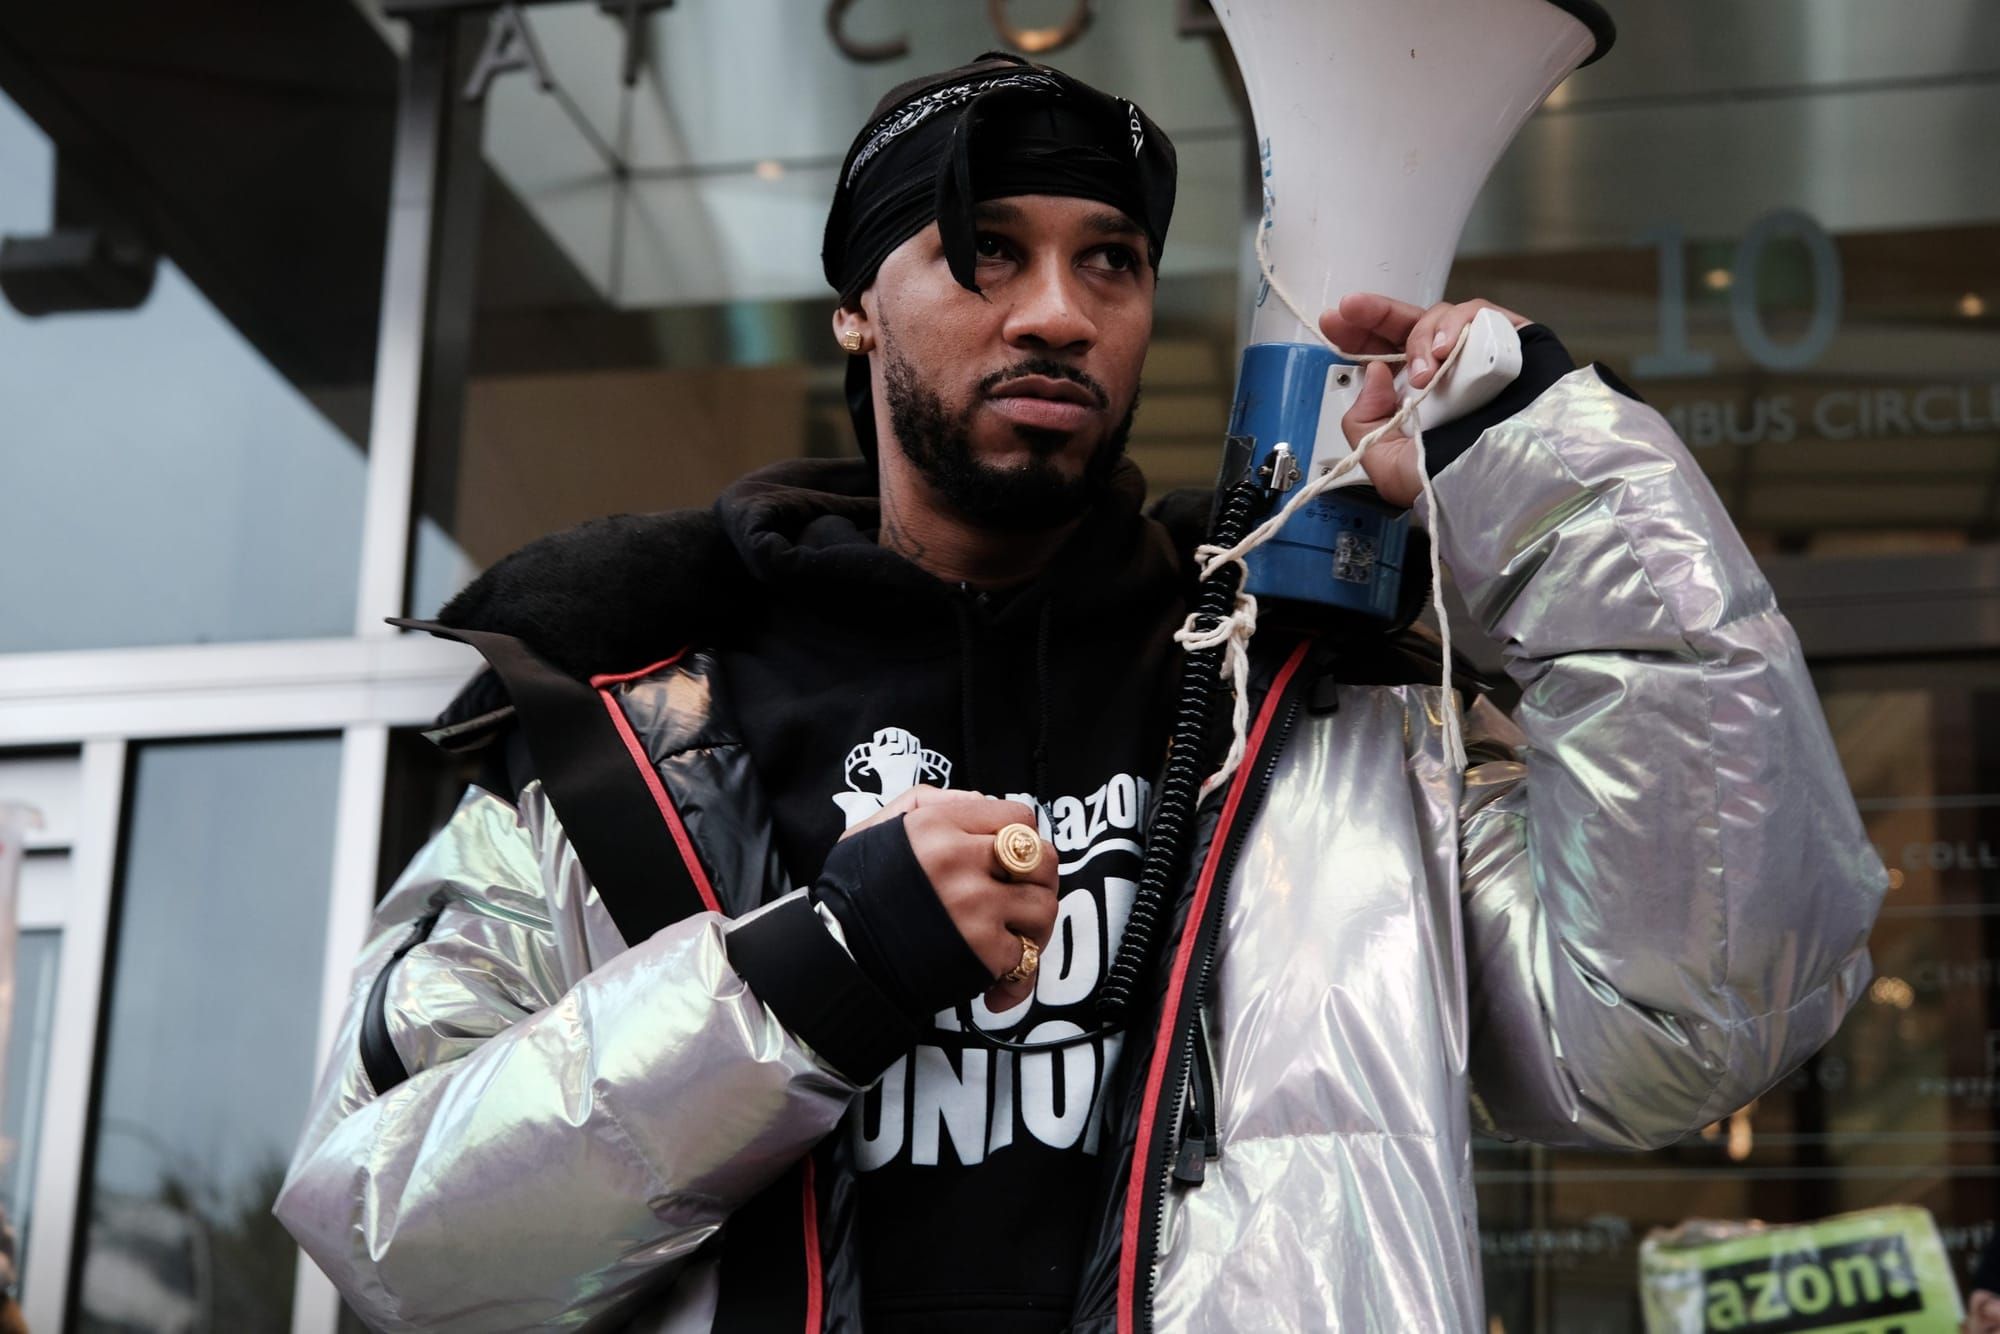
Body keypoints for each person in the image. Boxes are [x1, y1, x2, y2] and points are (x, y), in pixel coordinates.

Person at [276, 52, 1886, 1333]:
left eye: (1108, 260)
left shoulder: (1321, 717)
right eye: (984, 252)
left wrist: (1549, 479)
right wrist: (812, 974)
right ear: (853, 310)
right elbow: (395, 1231)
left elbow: (1693, 1020)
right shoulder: (632, 740)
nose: (1058, 308)